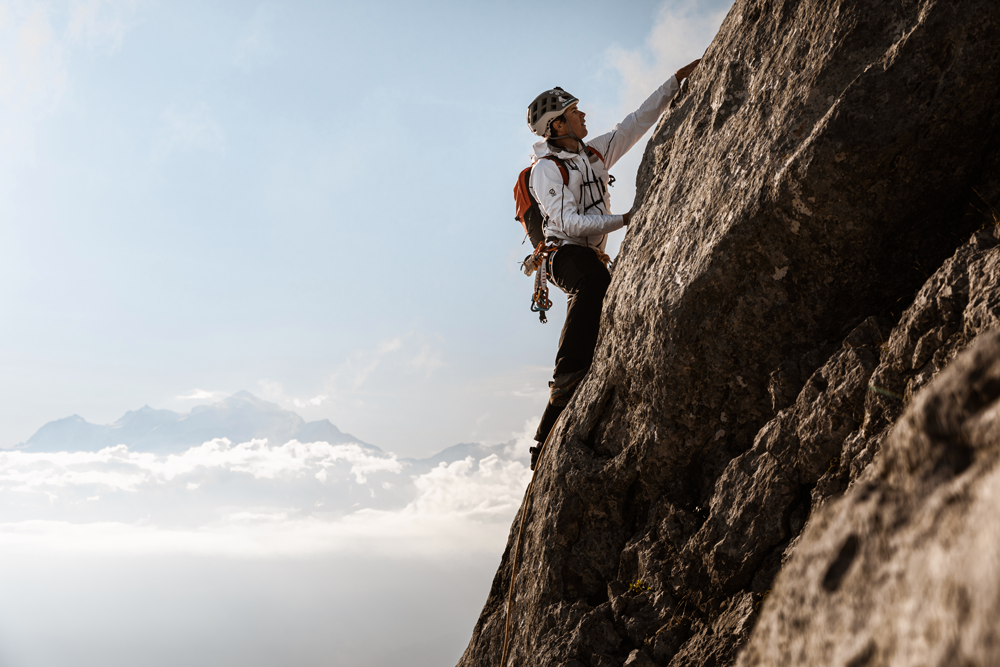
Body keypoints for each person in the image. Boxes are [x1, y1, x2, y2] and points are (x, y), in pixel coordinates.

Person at [525, 59, 700, 469]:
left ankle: (548, 427)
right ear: (557, 125)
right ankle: (566, 377)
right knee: (591, 282)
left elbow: (633, 125)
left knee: (599, 290)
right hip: (562, 253)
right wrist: (625, 219)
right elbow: (568, 222)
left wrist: (676, 81)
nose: (583, 114)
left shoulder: (592, 153)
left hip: (587, 252)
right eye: (574, 111)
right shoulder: (546, 170)